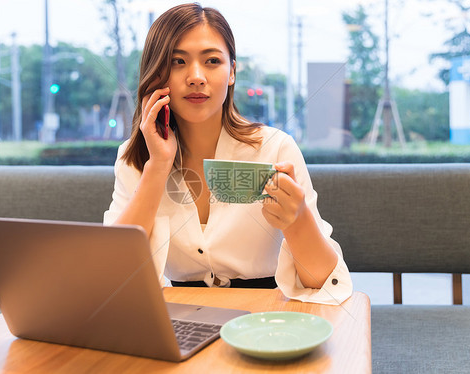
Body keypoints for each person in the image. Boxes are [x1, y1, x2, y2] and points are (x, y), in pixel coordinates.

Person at [104, 3, 352, 304]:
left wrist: (297, 219)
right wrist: (158, 165)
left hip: (263, 318)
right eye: (178, 62)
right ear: (157, 75)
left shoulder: (274, 148)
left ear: (232, 72)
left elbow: (324, 284)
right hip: (181, 316)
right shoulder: (135, 159)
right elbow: (114, 273)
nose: (196, 76)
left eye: (211, 61)